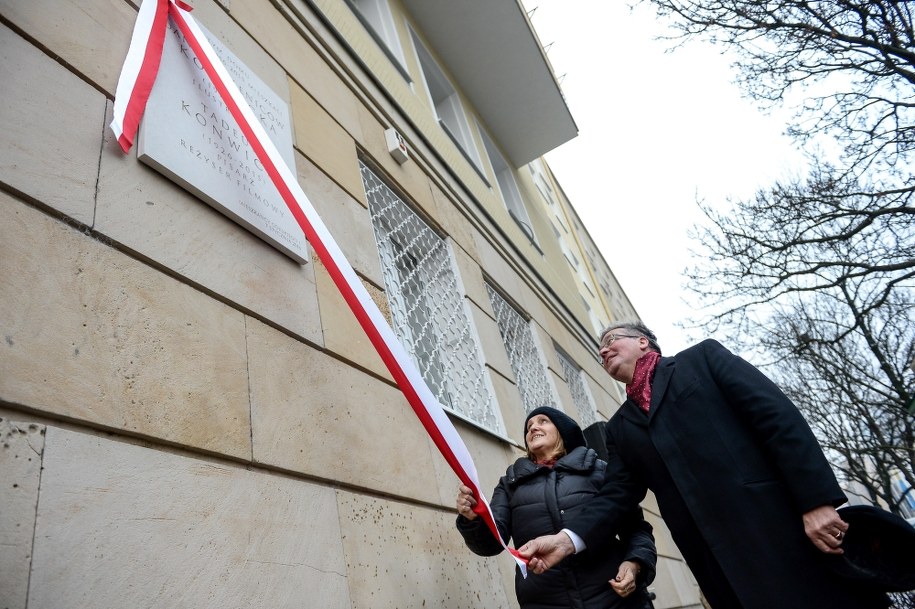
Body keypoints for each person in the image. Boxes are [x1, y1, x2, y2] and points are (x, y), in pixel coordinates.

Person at [518, 323, 889, 609]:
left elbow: (778, 420)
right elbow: (615, 497)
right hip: (719, 565)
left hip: (784, 533)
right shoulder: (619, 428)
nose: (603, 349)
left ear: (643, 342)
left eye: (612, 339)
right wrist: (566, 541)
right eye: (600, 349)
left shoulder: (702, 360)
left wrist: (816, 501)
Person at [456, 406, 657, 609]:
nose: (533, 428)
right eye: (529, 427)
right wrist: (473, 519)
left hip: (613, 600)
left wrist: (635, 563)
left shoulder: (599, 470)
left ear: (563, 431)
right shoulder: (510, 483)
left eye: (543, 421)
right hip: (545, 601)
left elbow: (637, 529)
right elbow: (491, 544)